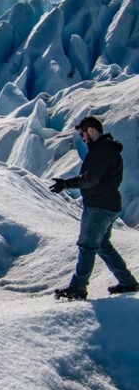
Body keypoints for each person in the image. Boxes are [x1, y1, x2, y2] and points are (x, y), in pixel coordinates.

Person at [50, 116, 138, 300]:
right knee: (103, 246)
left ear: (90, 130)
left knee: (87, 245)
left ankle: (78, 287)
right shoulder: (106, 149)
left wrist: (66, 184)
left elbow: (92, 179)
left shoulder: (102, 150)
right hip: (109, 204)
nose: (82, 138)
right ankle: (127, 282)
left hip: (100, 205)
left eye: (82, 134)